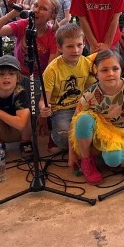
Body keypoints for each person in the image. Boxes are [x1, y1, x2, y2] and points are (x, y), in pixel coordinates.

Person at [69, 50, 124, 185]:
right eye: (104, 70)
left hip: (119, 132)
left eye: (115, 68)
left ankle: (103, 156)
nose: (110, 74)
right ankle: (87, 161)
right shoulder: (90, 94)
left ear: (121, 70)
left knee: (114, 160)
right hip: (99, 131)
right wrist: (72, 153)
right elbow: (74, 122)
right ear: (96, 72)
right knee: (83, 119)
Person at [41, 23, 97, 152]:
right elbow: (44, 100)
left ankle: (80, 147)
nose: (76, 50)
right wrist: (43, 109)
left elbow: (91, 89)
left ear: (84, 44)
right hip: (61, 110)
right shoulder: (52, 70)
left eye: (79, 45)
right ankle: (55, 137)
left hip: (82, 106)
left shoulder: (88, 64)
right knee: (65, 136)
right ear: (60, 48)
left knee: (98, 130)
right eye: (70, 46)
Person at [0, 0, 59, 77]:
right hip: (17, 74)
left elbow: (50, 69)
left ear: (51, 16)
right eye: (35, 5)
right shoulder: (23, 24)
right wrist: (10, 15)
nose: (36, 10)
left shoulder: (53, 36)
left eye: (43, 8)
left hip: (39, 78)